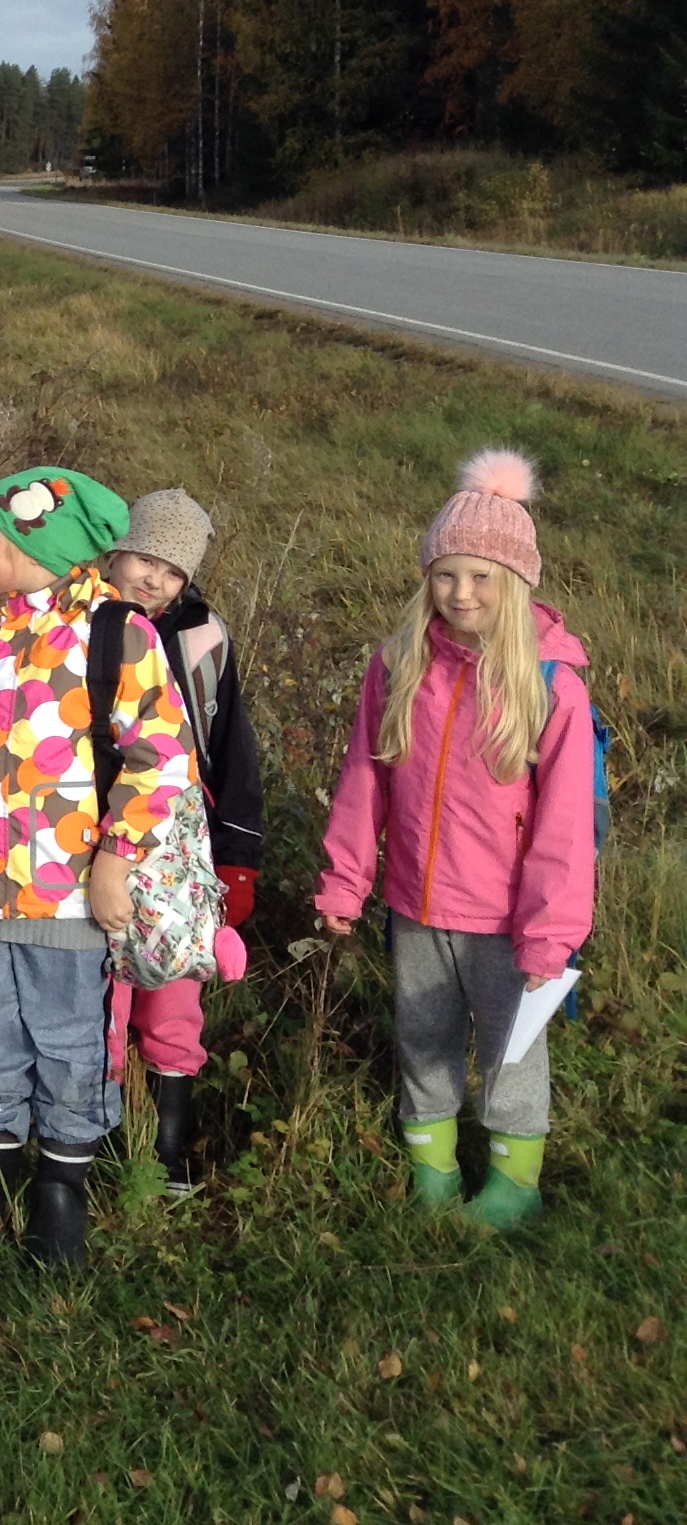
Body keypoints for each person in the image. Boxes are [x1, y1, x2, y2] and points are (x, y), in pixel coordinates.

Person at [0, 468, 194, 1269]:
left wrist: (116, 861)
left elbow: (160, 761)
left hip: (68, 897)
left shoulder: (117, 633)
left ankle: (61, 1187)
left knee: (67, 1038)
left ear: (36, 547)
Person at [314, 450, 596, 1231]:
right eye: (445, 574)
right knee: (424, 1038)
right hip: (416, 903)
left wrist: (550, 937)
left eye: (481, 576)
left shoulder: (552, 685)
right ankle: (431, 1166)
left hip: (508, 919)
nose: (461, 593)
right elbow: (364, 782)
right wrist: (344, 881)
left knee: (511, 1050)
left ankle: (514, 1183)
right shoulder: (400, 664)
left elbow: (565, 830)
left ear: (516, 580)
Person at [100, 489, 265, 1193]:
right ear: (116, 551)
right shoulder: (82, 621)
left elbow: (231, 746)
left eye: (173, 571)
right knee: (103, 990)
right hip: (91, 833)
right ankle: (99, 1139)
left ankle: (165, 1148)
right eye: (145, 558)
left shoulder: (202, 636)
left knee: (172, 990)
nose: (154, 579)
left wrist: (238, 857)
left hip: (180, 842)